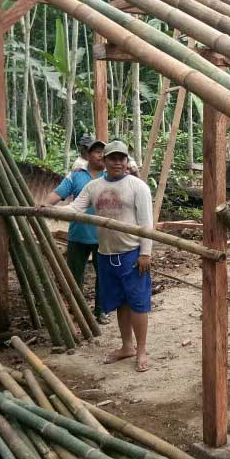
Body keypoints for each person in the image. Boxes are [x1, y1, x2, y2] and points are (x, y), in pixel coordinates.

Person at [69, 141, 154, 372]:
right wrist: (45, 210)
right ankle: (127, 346)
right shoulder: (94, 187)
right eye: (112, 158)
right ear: (104, 161)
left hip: (132, 254)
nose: (117, 162)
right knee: (120, 302)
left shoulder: (138, 186)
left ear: (127, 162)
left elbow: (147, 222)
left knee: (138, 303)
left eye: (122, 158)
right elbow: (75, 209)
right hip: (106, 253)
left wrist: (145, 253)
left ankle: (142, 349)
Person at [43, 134, 109, 325]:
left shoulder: (111, 176)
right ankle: (78, 311)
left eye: (103, 152)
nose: (100, 155)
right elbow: (57, 194)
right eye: (96, 151)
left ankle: (101, 311)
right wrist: (44, 205)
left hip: (104, 237)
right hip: (78, 235)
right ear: (88, 155)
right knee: (74, 276)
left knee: (103, 276)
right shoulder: (76, 175)